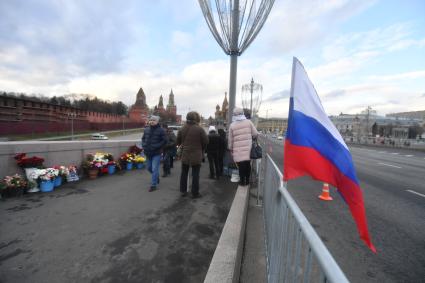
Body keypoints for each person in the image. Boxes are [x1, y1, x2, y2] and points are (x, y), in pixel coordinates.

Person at [177, 111, 208, 198]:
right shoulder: (200, 129)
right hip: (196, 154)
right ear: (195, 118)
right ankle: (195, 193)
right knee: (195, 174)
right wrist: (201, 148)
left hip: (185, 154)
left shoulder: (182, 129)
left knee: (184, 173)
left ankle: (183, 191)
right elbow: (206, 142)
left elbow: (178, 141)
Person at [228, 107, 258, 186]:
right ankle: (247, 181)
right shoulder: (249, 122)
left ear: (234, 115)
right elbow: (255, 134)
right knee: (247, 165)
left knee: (241, 166)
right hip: (248, 149)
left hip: (238, 150)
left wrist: (230, 148)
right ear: (242, 114)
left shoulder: (232, 125)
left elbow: (230, 140)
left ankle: (242, 182)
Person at [142, 115, 167, 192]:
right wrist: (144, 145)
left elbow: (165, 141)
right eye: (151, 120)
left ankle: (153, 185)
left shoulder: (161, 130)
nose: (152, 121)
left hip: (156, 153)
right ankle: (156, 177)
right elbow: (143, 138)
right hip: (148, 152)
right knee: (149, 168)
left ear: (157, 121)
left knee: (154, 168)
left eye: (154, 120)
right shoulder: (146, 129)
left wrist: (156, 146)